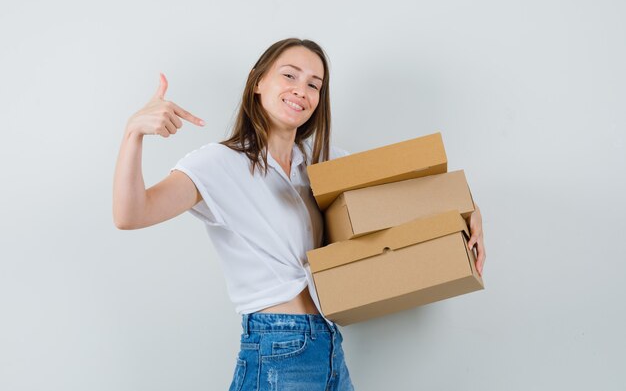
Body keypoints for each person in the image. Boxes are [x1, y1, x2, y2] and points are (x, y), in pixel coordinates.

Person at [112, 37, 486, 391]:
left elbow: (403, 196)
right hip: (276, 345)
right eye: (289, 75)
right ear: (258, 82)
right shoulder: (218, 163)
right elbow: (131, 213)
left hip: (328, 341)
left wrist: (469, 213)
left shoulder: (323, 161)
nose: (301, 91)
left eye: (314, 84)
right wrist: (133, 134)